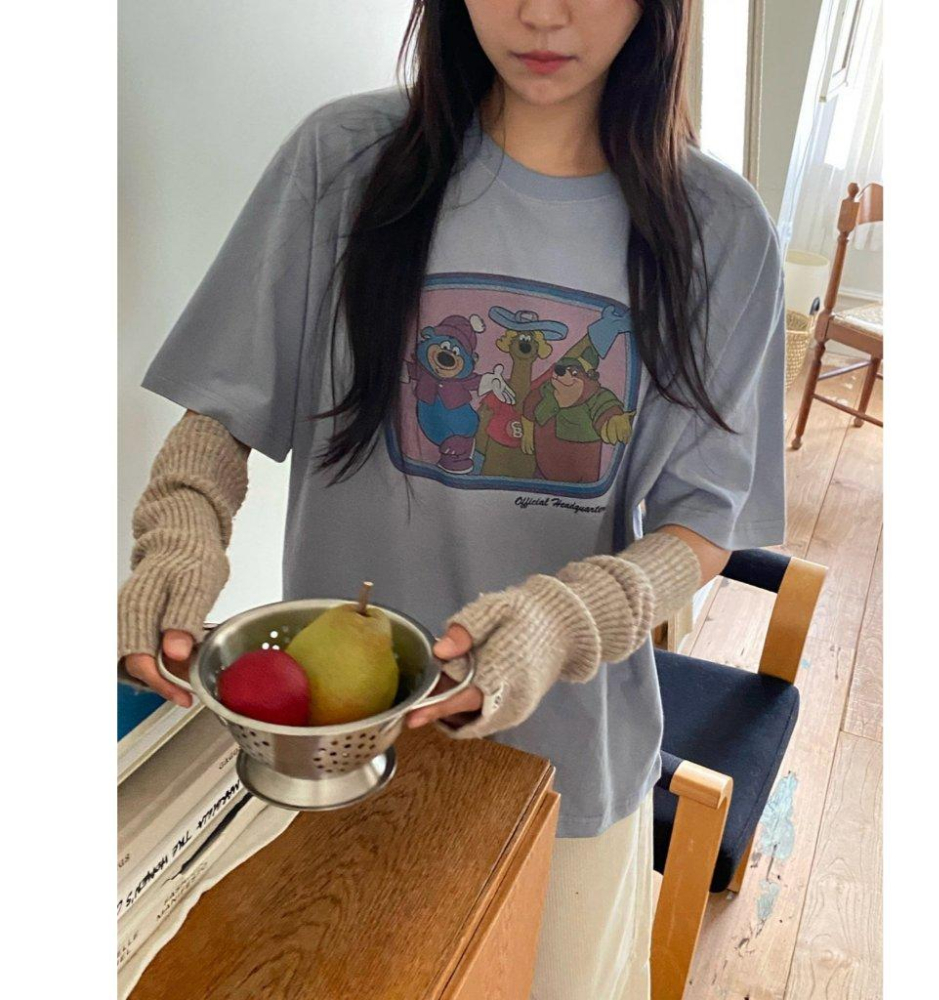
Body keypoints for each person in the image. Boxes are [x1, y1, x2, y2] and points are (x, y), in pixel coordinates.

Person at [118, 2, 787, 997]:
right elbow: (223, 409)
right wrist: (179, 529)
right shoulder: (343, 161)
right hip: (337, 749)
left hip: (565, 769)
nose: (540, 13)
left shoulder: (718, 229)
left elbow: (705, 523)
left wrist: (569, 615)